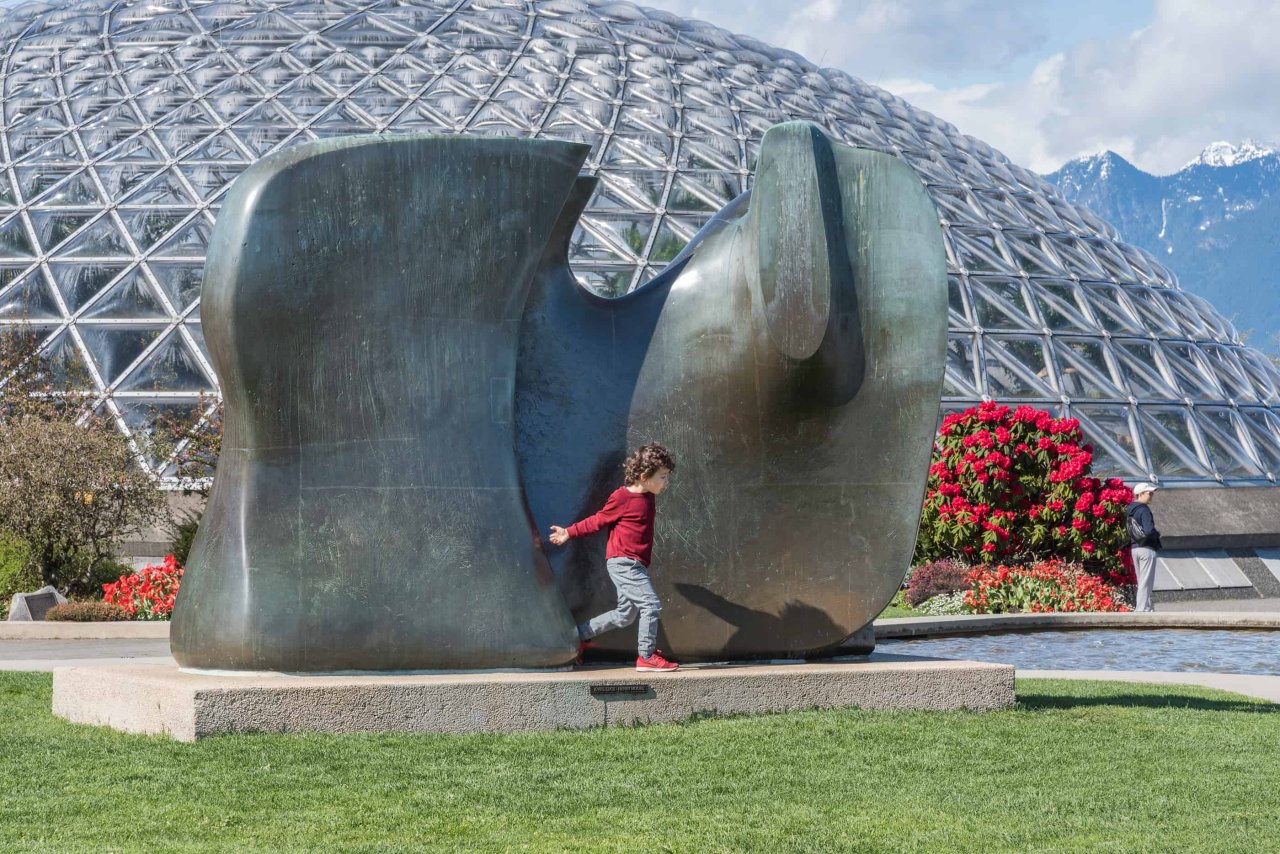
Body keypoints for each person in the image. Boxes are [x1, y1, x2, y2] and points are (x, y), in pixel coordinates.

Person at [549, 443, 679, 672]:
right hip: (624, 563)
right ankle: (646, 657)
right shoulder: (621, 497)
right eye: (663, 477)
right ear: (644, 476)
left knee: (624, 616)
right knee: (650, 605)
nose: (666, 482)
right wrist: (569, 532)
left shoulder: (649, 496)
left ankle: (577, 636)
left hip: (636, 564)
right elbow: (598, 520)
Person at [1126, 482, 1162, 612]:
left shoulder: (1130, 510)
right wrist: (1157, 534)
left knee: (1141, 579)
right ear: (1140, 494)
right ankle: (1141, 609)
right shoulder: (1144, 510)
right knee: (1146, 581)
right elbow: (1149, 531)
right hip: (1146, 549)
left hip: (1135, 548)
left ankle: (1147, 607)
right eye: (1149, 493)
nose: (1151, 495)